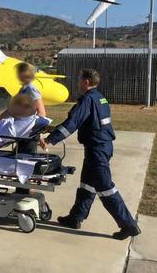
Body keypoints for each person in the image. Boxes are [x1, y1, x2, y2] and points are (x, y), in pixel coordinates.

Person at [39, 69, 141, 240]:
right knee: (87, 184)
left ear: (86, 81)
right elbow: (89, 122)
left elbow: (72, 123)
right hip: (102, 146)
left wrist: (50, 140)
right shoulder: (100, 98)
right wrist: (53, 129)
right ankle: (75, 218)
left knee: (106, 188)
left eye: (79, 80)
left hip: (97, 150)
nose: (78, 83)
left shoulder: (86, 100)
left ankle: (128, 225)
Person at [0, 62, 46, 154]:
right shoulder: (23, 89)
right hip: (22, 132)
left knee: (22, 159)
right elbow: (12, 110)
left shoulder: (31, 90)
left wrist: (37, 133)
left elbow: (41, 113)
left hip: (28, 133)